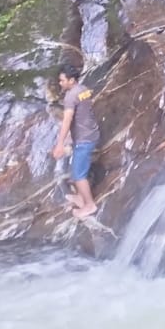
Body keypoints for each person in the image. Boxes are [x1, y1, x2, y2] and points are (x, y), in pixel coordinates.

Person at [52, 61, 101, 219]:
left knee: (79, 175)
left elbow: (67, 120)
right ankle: (80, 197)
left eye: (62, 80)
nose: (60, 83)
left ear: (71, 80)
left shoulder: (70, 96)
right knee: (77, 169)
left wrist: (60, 144)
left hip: (83, 139)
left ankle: (89, 205)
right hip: (91, 133)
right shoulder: (84, 90)